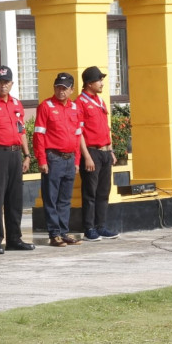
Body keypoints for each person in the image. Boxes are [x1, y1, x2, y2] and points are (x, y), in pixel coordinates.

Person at [0, 65, 35, 255]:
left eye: (7, 82)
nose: (3, 86)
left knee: (15, 199)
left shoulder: (16, 104)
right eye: (0, 82)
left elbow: (22, 131)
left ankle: (14, 239)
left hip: (15, 154)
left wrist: (27, 155)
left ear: (11, 83)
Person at [34, 72, 84, 247]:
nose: (61, 91)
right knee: (51, 198)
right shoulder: (46, 106)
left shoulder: (75, 108)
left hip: (70, 159)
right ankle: (54, 234)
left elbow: (78, 136)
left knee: (65, 199)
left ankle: (64, 232)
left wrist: (77, 161)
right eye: (58, 87)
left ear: (72, 90)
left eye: (64, 88)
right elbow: (39, 135)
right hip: (53, 158)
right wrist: (42, 160)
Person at [77, 66, 119, 242]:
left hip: (104, 152)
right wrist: (86, 156)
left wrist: (110, 150)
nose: (102, 83)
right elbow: (78, 132)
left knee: (103, 191)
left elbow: (105, 128)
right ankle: (89, 228)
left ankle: (101, 225)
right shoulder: (80, 103)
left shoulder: (100, 101)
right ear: (89, 83)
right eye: (99, 80)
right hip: (92, 152)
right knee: (90, 192)